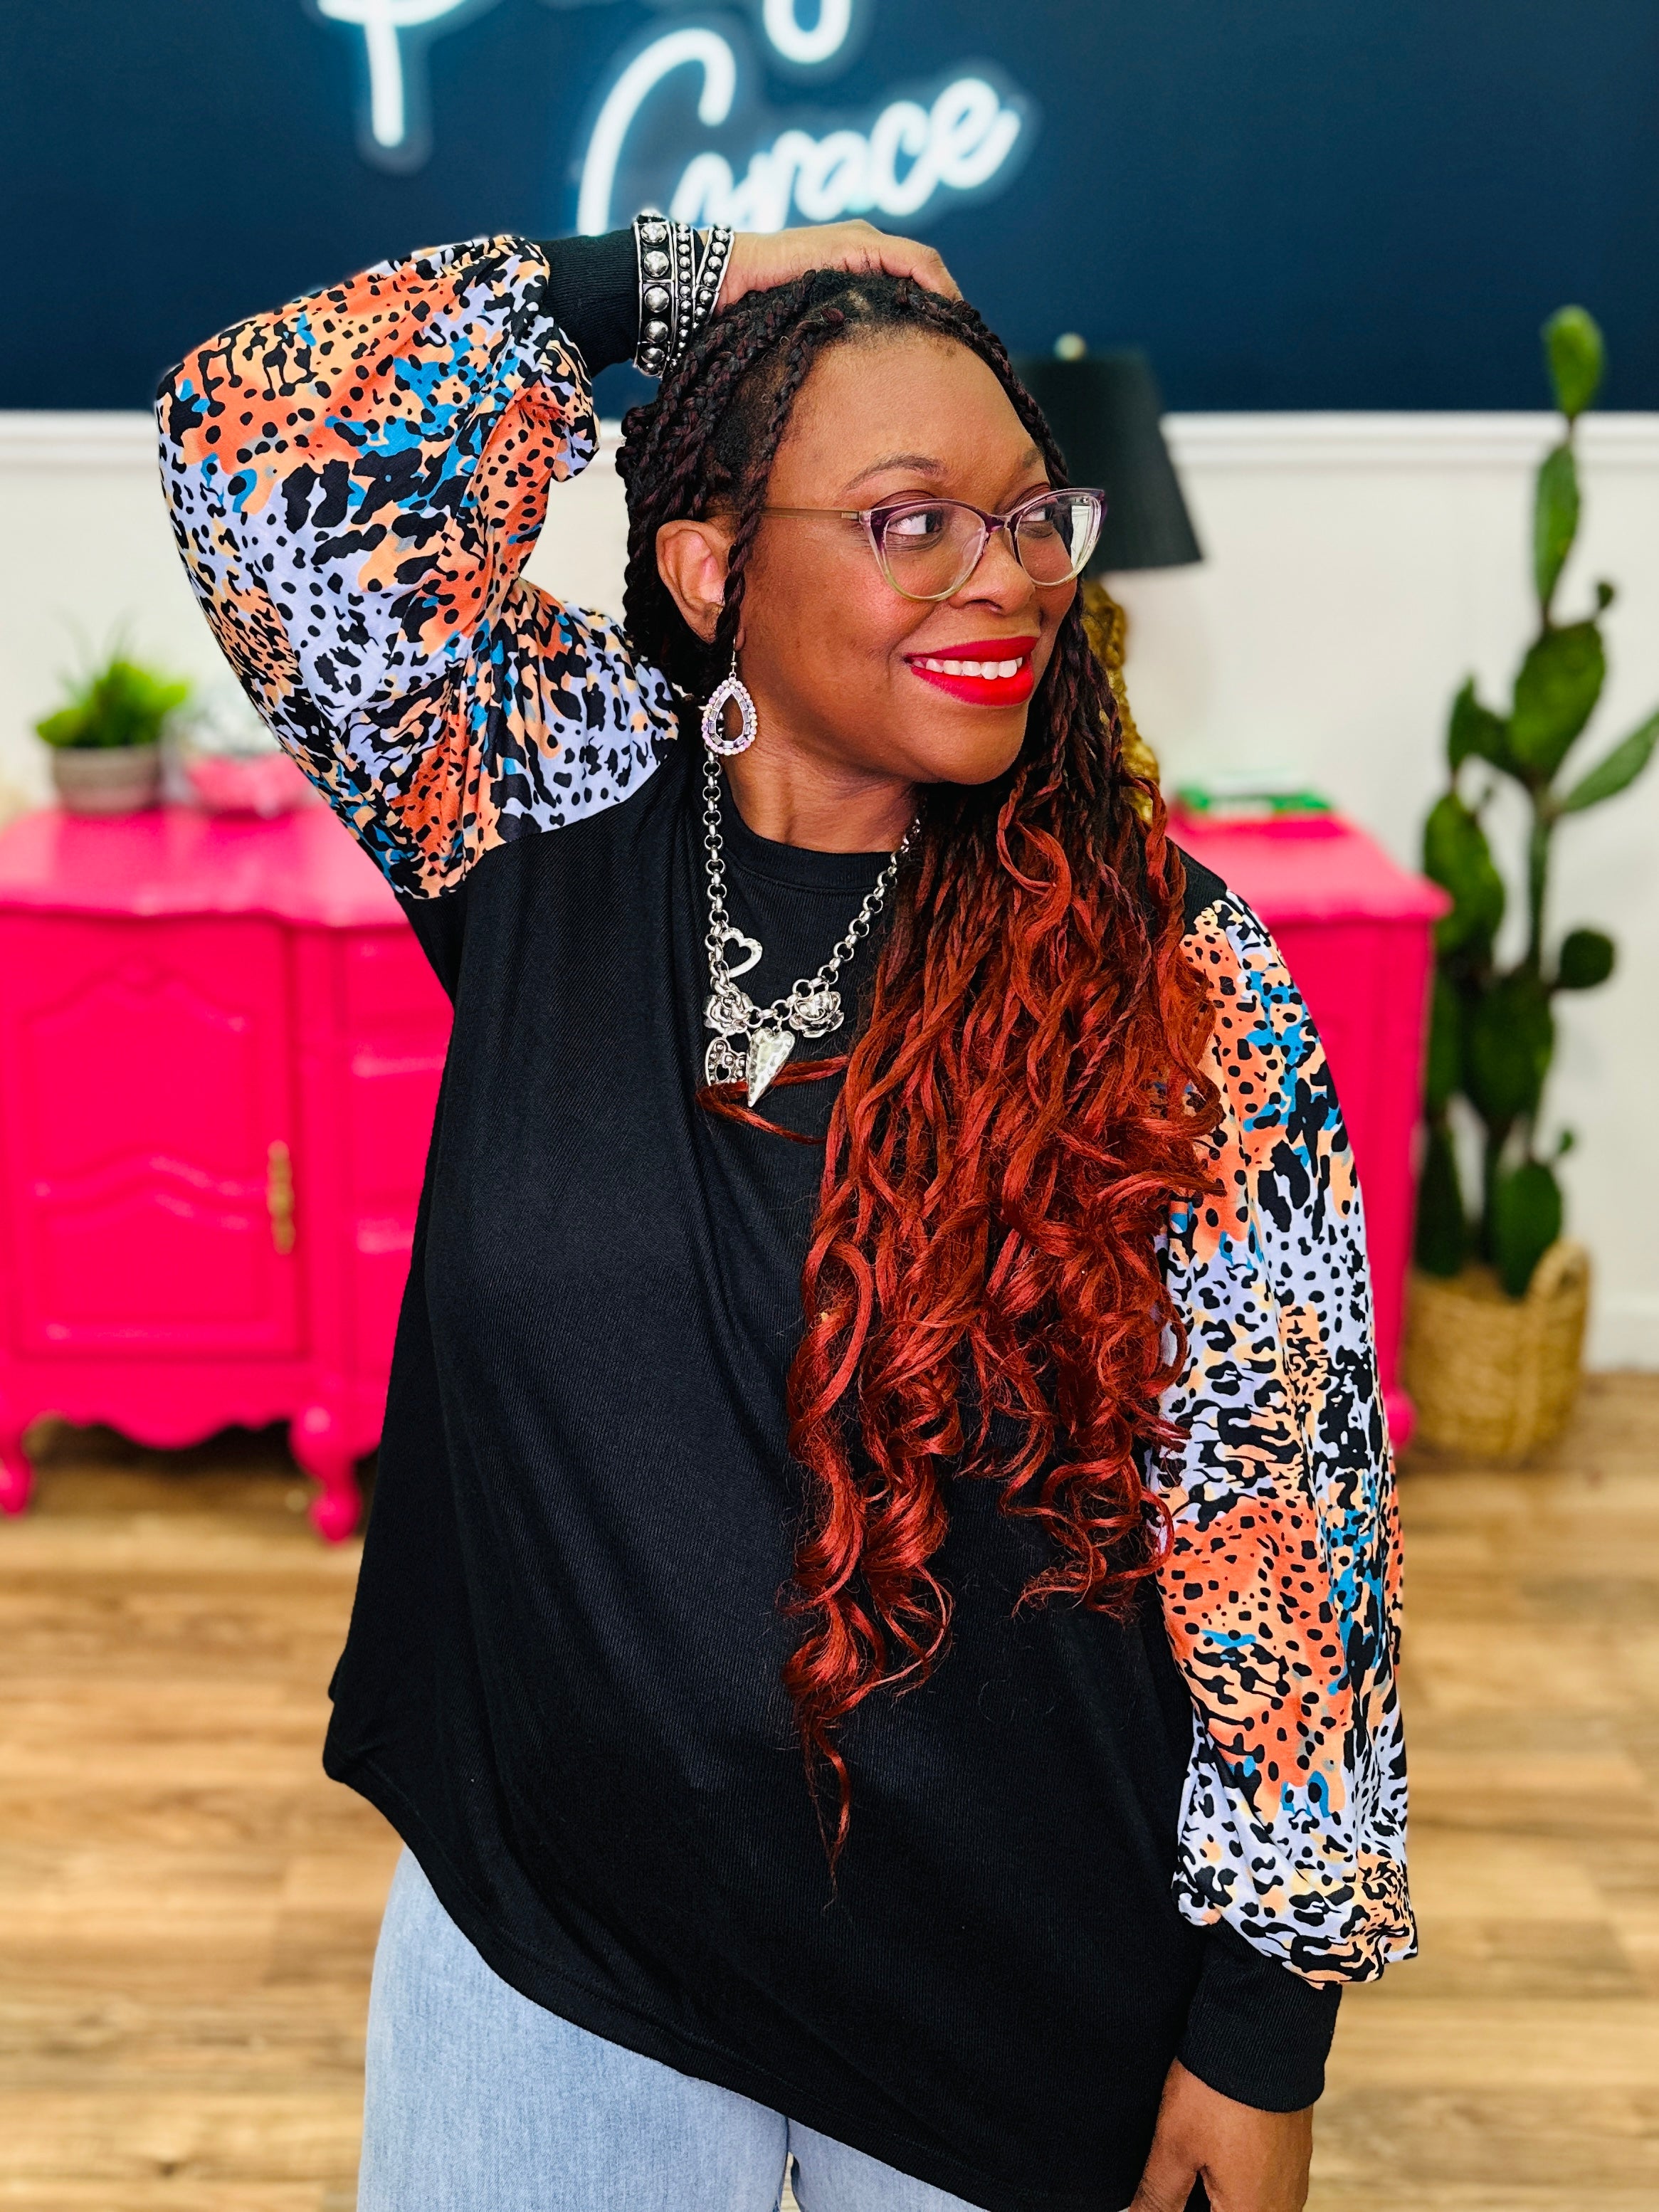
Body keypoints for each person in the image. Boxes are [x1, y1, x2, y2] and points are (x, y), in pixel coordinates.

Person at [157, 214, 1414, 2212]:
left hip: (1008, 1992)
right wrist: (694, 277)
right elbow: (252, 447)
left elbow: (1286, 1508)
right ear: (710, 567)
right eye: (911, 520)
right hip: (559, 1943)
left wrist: (1261, 2035)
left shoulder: (1169, 970)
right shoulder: (546, 809)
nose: (1001, 576)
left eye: (1029, 519)